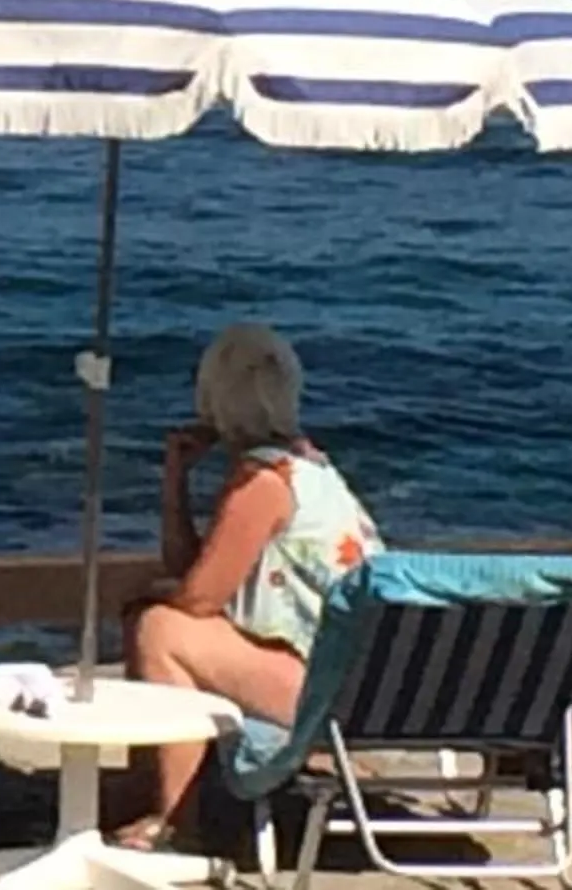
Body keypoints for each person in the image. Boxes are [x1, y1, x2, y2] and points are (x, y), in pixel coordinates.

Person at [114, 323, 383, 852]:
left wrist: (151, 601)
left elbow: (199, 599)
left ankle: (173, 822)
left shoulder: (263, 484)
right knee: (163, 618)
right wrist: (178, 481)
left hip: (327, 690)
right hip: (369, 682)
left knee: (158, 627)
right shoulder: (310, 465)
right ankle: (157, 798)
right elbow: (199, 574)